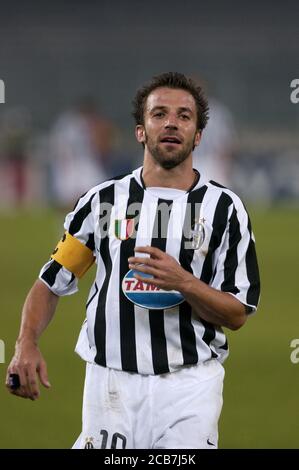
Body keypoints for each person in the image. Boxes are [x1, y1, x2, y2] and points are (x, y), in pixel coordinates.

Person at [6, 72, 260, 449]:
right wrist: (25, 342)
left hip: (190, 384)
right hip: (110, 385)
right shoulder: (102, 201)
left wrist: (184, 282)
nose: (171, 122)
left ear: (198, 136)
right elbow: (51, 280)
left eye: (184, 116)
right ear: (141, 131)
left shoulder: (225, 209)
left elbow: (237, 313)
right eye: (159, 114)